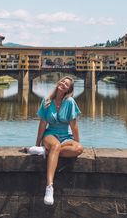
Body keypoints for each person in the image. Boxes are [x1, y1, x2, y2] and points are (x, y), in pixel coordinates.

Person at [34, 76, 83, 205]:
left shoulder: (70, 102)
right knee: (55, 145)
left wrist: (77, 141)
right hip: (50, 134)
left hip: (66, 136)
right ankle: (49, 187)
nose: (63, 84)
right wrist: (37, 142)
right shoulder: (47, 100)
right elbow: (43, 124)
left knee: (78, 149)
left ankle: (46, 152)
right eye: (62, 81)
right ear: (58, 83)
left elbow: (73, 125)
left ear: (69, 89)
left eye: (66, 84)